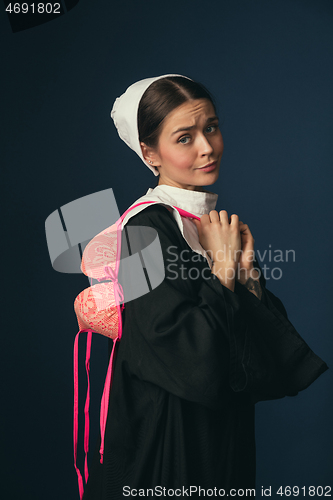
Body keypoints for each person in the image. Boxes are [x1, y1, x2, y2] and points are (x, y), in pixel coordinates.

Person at [81, 74, 328, 499]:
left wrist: (246, 277)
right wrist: (224, 271)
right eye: (184, 137)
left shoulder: (209, 227)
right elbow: (181, 352)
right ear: (149, 152)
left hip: (221, 434)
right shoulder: (141, 230)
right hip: (168, 437)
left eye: (210, 127)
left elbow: (258, 351)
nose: (207, 147)